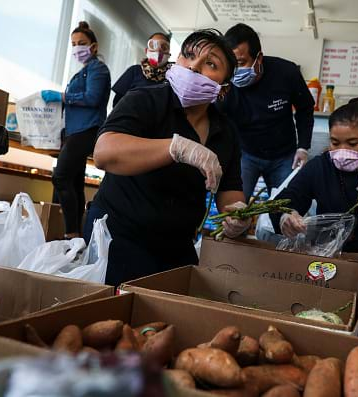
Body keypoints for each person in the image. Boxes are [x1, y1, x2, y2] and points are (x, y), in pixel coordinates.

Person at [84, 29, 250, 286]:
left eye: (210, 64)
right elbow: (104, 153)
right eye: (189, 56)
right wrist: (177, 148)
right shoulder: (146, 100)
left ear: (223, 90)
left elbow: (230, 189)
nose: (194, 67)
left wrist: (237, 213)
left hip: (176, 244)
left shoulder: (225, 133)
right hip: (120, 233)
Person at [219, 23, 315, 201]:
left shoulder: (286, 73)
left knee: (283, 207)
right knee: (233, 209)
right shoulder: (223, 83)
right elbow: (214, 120)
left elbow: (305, 108)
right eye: (230, 64)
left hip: (284, 156)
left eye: (240, 63)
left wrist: (303, 147)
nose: (234, 71)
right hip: (244, 154)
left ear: (259, 58)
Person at [269, 97, 358, 257]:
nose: (342, 151)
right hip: (330, 257)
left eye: (353, 143)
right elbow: (285, 199)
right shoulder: (320, 167)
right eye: (335, 143)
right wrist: (286, 217)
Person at [41, 21, 111, 239]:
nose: (76, 48)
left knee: (60, 177)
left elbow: (92, 98)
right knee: (74, 181)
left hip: (87, 130)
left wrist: (62, 96)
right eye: (73, 44)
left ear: (94, 46)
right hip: (75, 130)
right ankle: (77, 235)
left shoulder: (98, 69)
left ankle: (71, 232)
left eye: (81, 43)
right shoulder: (83, 71)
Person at [112, 32, 172, 106]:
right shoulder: (134, 71)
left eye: (164, 47)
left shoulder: (173, 77)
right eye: (153, 46)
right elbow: (117, 103)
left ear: (169, 54)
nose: (158, 50)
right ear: (146, 51)